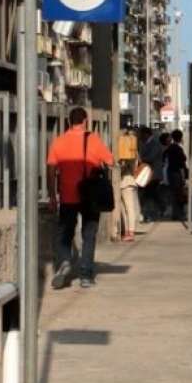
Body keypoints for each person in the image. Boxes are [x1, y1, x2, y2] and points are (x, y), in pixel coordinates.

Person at [46, 107, 114, 289]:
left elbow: (51, 170)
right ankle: (85, 276)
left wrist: (53, 196)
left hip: (68, 196)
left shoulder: (58, 142)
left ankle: (65, 262)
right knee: (89, 235)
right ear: (85, 121)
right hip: (90, 197)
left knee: (64, 234)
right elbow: (110, 161)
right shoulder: (93, 139)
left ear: (69, 122)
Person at [138, 127, 167, 222]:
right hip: (147, 174)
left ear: (146, 134)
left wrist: (140, 159)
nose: (140, 137)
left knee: (148, 194)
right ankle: (160, 208)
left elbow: (151, 157)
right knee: (151, 194)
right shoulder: (144, 143)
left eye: (141, 134)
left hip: (154, 174)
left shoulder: (155, 144)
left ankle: (148, 213)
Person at [118, 125, 140, 241]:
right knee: (122, 209)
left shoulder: (132, 152)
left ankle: (130, 232)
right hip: (122, 182)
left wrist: (122, 163)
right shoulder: (126, 149)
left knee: (129, 208)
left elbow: (130, 166)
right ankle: (126, 231)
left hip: (127, 181)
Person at [164, 129, 189, 221]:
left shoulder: (169, 148)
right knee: (180, 194)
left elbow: (164, 159)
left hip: (170, 172)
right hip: (178, 173)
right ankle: (179, 213)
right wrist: (184, 177)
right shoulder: (179, 149)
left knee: (174, 194)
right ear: (181, 138)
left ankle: (175, 214)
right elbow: (182, 163)